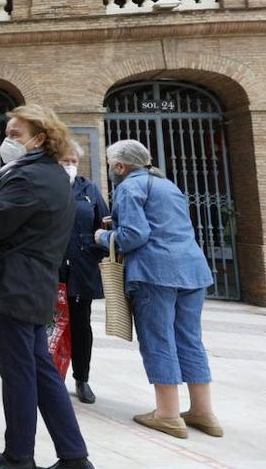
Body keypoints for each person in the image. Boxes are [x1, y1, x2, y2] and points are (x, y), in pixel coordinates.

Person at [0, 105, 94, 469]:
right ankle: (74, 455)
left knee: (18, 375)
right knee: (40, 370)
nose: (8, 140)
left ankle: (18, 457)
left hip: (14, 287)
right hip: (34, 286)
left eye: (15, 134)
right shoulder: (52, 175)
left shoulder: (28, 178)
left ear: (40, 138)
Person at [94, 139, 222, 440]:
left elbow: (134, 236)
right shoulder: (165, 184)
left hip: (155, 272)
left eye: (111, 164)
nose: (111, 169)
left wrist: (103, 235)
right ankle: (203, 412)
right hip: (192, 269)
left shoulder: (128, 187)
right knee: (190, 339)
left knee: (158, 339)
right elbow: (164, 223)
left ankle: (167, 414)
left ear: (121, 166)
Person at [57, 143, 109, 405]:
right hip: (51, 267)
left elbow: (105, 222)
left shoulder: (89, 189)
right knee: (50, 324)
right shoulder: (49, 187)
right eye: (64, 160)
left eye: (72, 159)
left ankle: (82, 377)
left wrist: (92, 248)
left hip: (81, 267)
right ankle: (49, 374)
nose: (69, 164)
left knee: (81, 324)